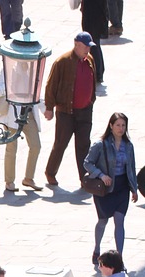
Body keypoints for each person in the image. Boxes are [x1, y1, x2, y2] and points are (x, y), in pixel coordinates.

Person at [83, 112, 138, 266]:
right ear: (111, 126)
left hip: (122, 188)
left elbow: (132, 168)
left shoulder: (129, 146)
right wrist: (101, 175)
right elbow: (87, 163)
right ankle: (97, 248)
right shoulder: (100, 145)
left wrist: (134, 188)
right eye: (118, 125)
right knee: (103, 220)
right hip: (105, 189)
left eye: (123, 125)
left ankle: (119, 258)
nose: (121, 128)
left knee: (120, 221)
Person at [43, 33, 97, 186]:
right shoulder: (63, 62)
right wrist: (49, 107)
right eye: (85, 46)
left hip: (85, 111)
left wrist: (91, 99)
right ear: (76, 44)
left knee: (84, 144)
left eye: (89, 47)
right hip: (66, 111)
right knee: (61, 143)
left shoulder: (90, 60)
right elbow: (51, 85)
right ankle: (50, 172)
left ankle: (84, 177)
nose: (87, 49)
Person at [0, 69, 41, 193]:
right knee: (11, 148)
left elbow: (38, 92)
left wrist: (46, 108)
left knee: (36, 146)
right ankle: (9, 181)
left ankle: (28, 178)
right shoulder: (8, 69)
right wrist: (9, 86)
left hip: (29, 114)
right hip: (13, 115)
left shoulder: (33, 68)